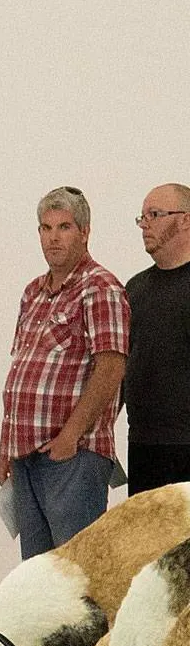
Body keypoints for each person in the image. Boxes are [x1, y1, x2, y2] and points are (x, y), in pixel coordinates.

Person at [0, 187, 129, 556]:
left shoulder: (100, 287)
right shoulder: (33, 292)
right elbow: (20, 371)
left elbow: (111, 367)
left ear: (84, 232)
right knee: (39, 574)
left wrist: (70, 437)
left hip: (74, 457)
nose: (53, 237)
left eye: (64, 227)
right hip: (26, 456)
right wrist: (6, 447)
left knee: (78, 570)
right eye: (46, 228)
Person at [123, 183, 190, 493]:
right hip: (144, 446)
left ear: (185, 220)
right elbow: (121, 367)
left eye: (154, 214)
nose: (144, 224)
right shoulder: (134, 289)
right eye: (142, 217)